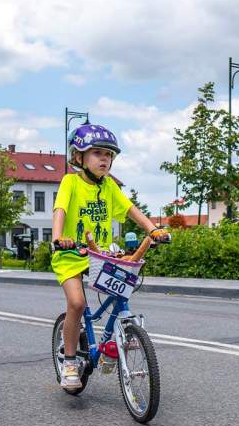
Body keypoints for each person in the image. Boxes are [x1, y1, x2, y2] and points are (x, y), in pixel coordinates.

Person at [52, 123, 167, 389]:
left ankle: (109, 347)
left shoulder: (110, 187)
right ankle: (70, 361)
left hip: (101, 254)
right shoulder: (71, 181)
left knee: (121, 293)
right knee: (78, 304)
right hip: (71, 253)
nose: (105, 159)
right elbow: (60, 210)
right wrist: (58, 238)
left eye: (109, 155)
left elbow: (131, 210)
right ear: (79, 157)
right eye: (97, 153)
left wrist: (154, 229)